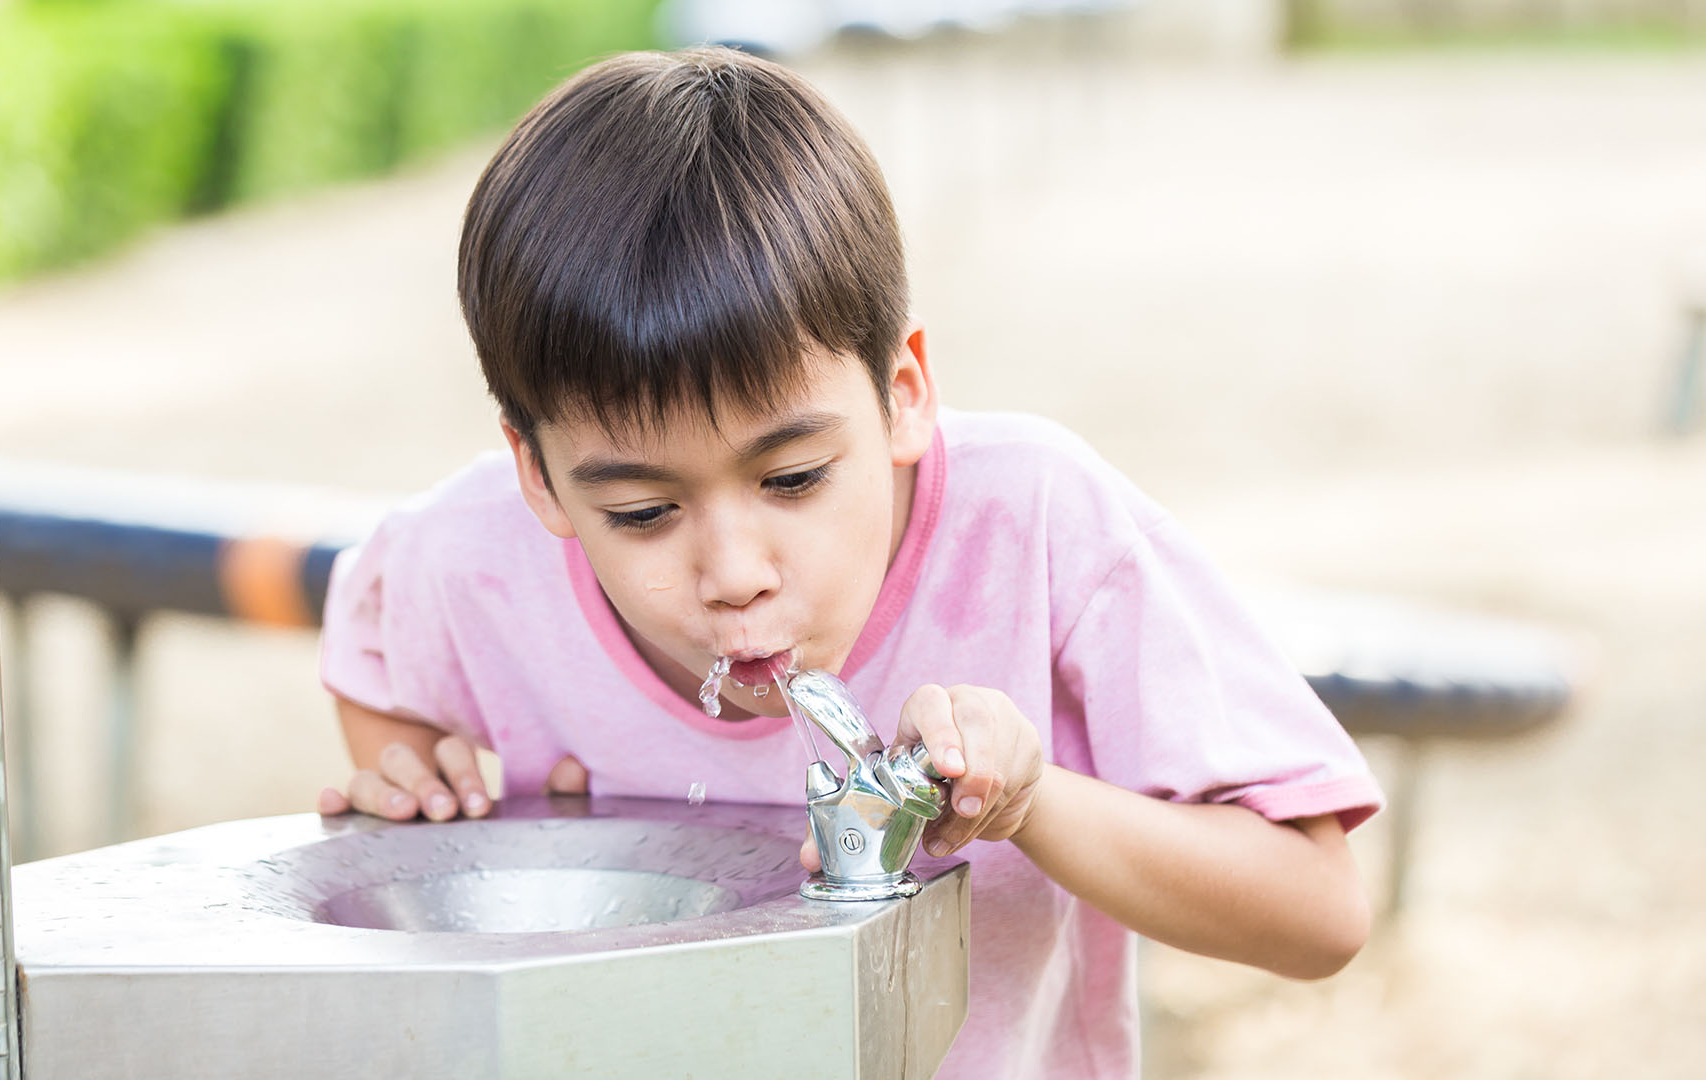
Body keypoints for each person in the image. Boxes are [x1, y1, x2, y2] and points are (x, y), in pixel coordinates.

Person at [316, 46, 1382, 1078]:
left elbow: (1317, 911)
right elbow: (375, 656)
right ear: (537, 474)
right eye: (643, 511)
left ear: (903, 392)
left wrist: (1036, 803)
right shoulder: (469, 561)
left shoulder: (1038, 523)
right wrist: (421, 789)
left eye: (792, 481)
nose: (734, 571)